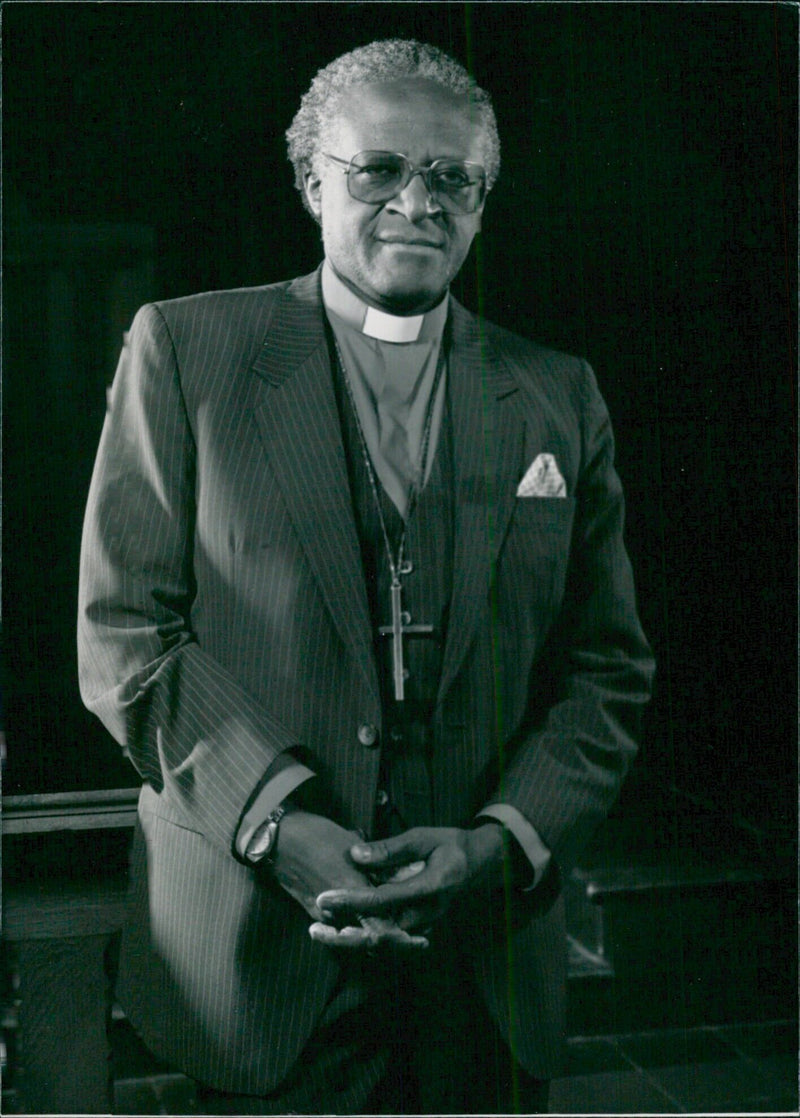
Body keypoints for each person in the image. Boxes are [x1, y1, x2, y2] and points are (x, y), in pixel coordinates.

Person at [78, 38, 654, 1115]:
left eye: (450, 177)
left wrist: (498, 839)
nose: (415, 201)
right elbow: (124, 632)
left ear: (481, 199)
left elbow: (605, 666)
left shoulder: (555, 394)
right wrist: (275, 822)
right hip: (260, 957)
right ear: (310, 182)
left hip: (481, 958)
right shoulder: (187, 352)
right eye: (377, 169)